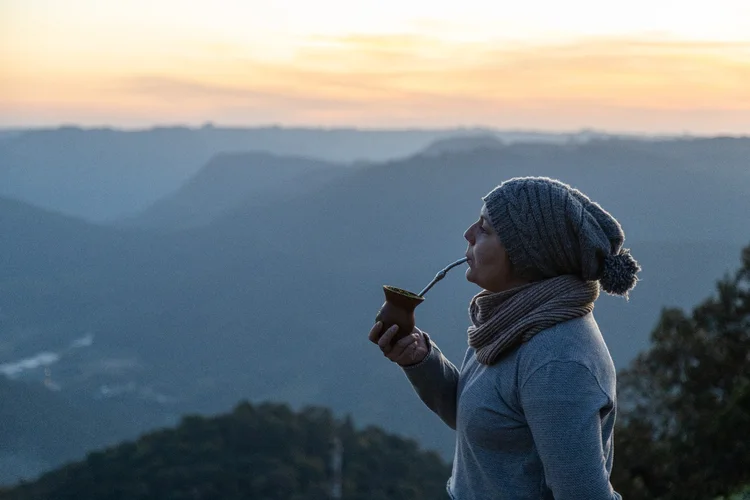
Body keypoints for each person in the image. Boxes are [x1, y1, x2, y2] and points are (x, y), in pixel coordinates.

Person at [368, 176, 640, 500]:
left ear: (526, 253)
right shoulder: (507, 322)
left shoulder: (558, 363)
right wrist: (421, 361)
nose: (468, 234)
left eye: (485, 229)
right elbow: (483, 421)